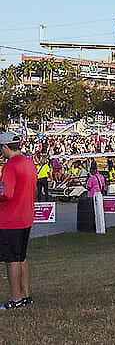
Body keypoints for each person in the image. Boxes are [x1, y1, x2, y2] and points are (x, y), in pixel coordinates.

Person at [0, 132, 37, 310]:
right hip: (26, 216)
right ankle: (25, 294)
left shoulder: (9, 166)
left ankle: (15, 299)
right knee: (21, 257)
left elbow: (5, 193)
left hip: (10, 219)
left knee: (11, 259)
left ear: (5, 147)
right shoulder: (29, 163)